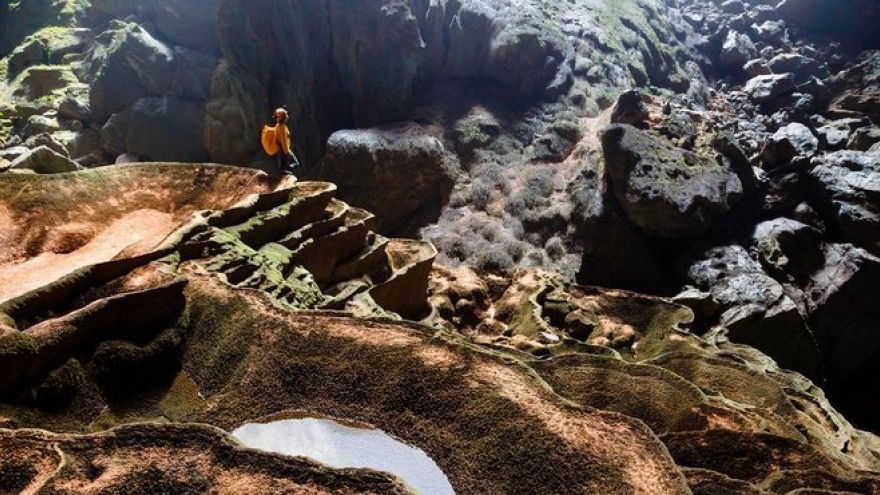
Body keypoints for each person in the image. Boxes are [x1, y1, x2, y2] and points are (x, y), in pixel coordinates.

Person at [263, 107, 299, 174]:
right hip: (284, 150)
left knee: (284, 166)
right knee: (296, 163)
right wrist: (287, 152)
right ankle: (284, 173)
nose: (287, 117)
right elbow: (283, 141)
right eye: (286, 115)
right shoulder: (281, 128)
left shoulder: (280, 125)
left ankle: (283, 172)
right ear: (283, 118)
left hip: (281, 150)